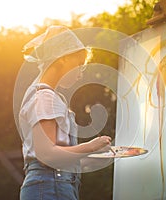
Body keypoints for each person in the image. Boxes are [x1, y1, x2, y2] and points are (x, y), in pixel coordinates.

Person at [18, 25, 112, 200]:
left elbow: (57, 158)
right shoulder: (45, 97)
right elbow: (47, 155)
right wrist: (90, 146)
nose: (80, 74)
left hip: (54, 185)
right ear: (61, 58)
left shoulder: (50, 96)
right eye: (78, 65)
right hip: (48, 187)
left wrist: (92, 157)